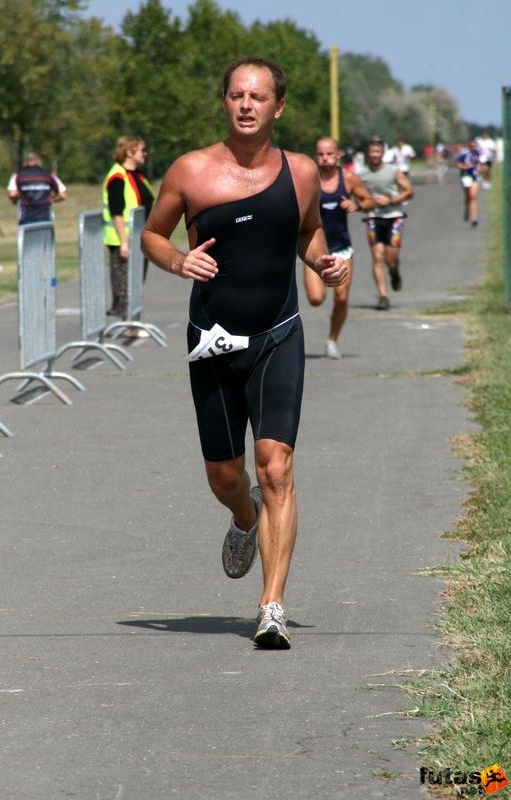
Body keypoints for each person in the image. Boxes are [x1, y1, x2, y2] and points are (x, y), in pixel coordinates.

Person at [141, 57, 348, 649]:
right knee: (225, 476)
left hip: (279, 333)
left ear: (278, 107)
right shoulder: (191, 171)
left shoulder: (302, 171)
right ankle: (243, 516)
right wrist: (179, 260)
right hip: (212, 340)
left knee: (276, 467)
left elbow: (306, 230)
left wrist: (322, 261)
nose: (247, 104)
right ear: (226, 102)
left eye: (258, 96)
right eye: (236, 95)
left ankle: (272, 606)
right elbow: (153, 234)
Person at [303, 137, 374, 359]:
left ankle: (332, 340)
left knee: (341, 298)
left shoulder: (349, 179)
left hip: (342, 247)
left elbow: (369, 202)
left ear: (338, 155)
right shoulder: (307, 178)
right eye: (320, 154)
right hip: (315, 250)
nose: (324, 158)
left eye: (329, 154)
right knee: (315, 299)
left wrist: (357, 205)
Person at [102, 136, 155, 331]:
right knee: (124, 285)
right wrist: (124, 242)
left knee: (136, 283)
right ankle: (128, 325)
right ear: (130, 152)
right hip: (123, 240)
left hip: (139, 239)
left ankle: (133, 322)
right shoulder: (117, 177)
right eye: (141, 150)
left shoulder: (139, 176)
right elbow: (117, 211)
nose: (145, 154)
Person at [359, 137, 414, 310]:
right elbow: (356, 195)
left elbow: (409, 192)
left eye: (378, 151)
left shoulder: (393, 171)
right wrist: (364, 202)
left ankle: (395, 273)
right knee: (377, 257)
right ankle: (383, 296)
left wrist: (390, 199)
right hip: (373, 219)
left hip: (394, 218)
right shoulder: (361, 174)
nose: (375, 155)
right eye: (372, 152)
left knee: (391, 259)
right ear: (367, 154)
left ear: (383, 153)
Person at [7, 153, 67, 225]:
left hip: (26, 216)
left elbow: (12, 194)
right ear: (39, 162)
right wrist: (52, 199)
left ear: (24, 163)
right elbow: (63, 196)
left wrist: (18, 198)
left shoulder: (17, 176)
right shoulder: (49, 175)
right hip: (45, 216)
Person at [455, 140, 481, 227]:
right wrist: (465, 166)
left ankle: (474, 218)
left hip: (475, 177)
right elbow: (457, 163)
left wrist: (480, 168)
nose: (473, 147)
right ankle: (467, 209)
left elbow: (482, 163)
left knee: (473, 196)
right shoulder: (464, 154)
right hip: (466, 176)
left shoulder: (479, 153)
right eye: (471, 146)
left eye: (474, 145)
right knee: (468, 196)